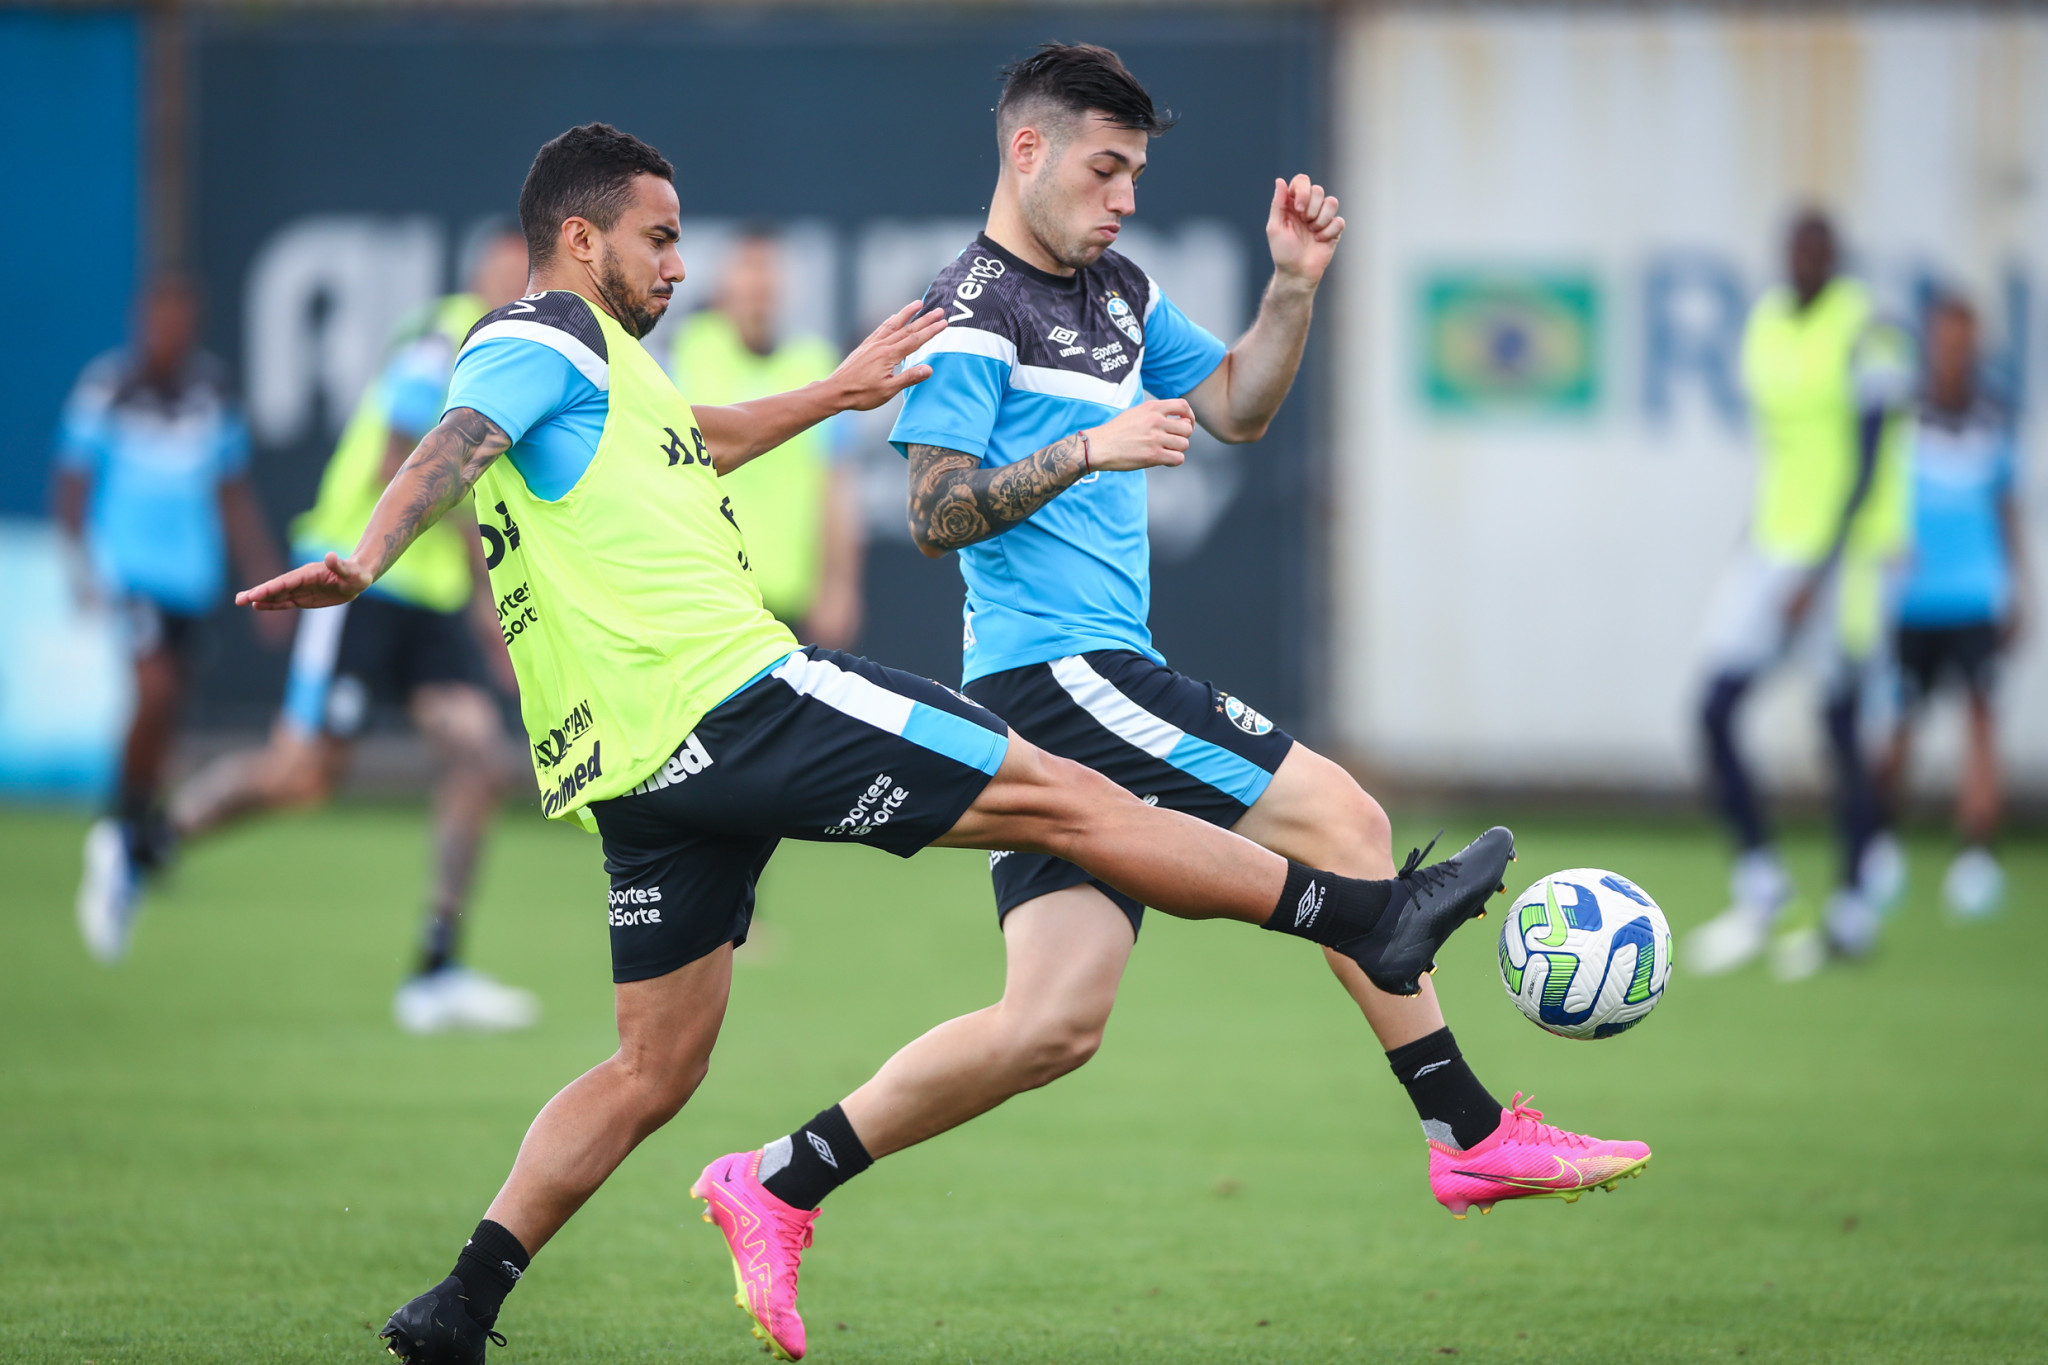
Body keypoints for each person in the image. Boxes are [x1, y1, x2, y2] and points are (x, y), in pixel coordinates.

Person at [232, 122, 1516, 1365]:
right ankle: (1366, 919)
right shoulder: (537, 330)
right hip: (735, 697)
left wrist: (832, 392)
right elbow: (458, 441)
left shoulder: (612, 373)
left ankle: (462, 1299)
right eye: (658, 239)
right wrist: (368, 555)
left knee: (650, 1067)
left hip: (633, 769)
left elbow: (697, 443)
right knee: (1065, 795)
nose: (679, 266)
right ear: (577, 240)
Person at [688, 45, 1650, 1360]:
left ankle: (777, 1180)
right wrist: (1088, 445)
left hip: (1075, 681)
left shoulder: (1120, 291)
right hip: (1065, 675)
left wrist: (1294, 290)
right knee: (1345, 818)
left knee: (1051, 1024)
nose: (1125, 196)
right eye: (1106, 167)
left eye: (1137, 173)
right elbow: (931, 511)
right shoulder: (972, 312)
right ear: (1025, 152)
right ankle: (1468, 1130)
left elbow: (1242, 405)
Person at [161, 221, 538, 1033]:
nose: (515, 288)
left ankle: (437, 965)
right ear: (480, 272)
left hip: (427, 596)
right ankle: (153, 838)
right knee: (302, 776)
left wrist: (480, 607)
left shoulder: (517, 357)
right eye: (505, 271)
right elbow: (402, 471)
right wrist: (487, 594)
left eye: (525, 275)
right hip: (356, 581)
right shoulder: (443, 341)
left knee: (480, 757)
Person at [1688, 210, 1914, 976]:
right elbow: (1783, 448)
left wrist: (1818, 571)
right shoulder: (1768, 324)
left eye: (1818, 250)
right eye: (1795, 249)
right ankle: (1763, 886)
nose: (1805, 261)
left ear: (1836, 257)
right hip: (1772, 545)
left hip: (1840, 561)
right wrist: (1755, 542)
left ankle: (1850, 910)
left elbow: (1871, 455)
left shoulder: (1868, 331)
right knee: (1713, 707)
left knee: (1840, 727)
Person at [63, 275, 287, 963]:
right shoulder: (106, 390)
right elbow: (72, 484)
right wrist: (82, 566)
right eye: (159, 318)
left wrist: (263, 576)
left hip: (190, 579)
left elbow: (233, 493)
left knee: (171, 706)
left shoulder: (212, 394)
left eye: (181, 319)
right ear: (141, 320)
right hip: (130, 574)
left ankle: (138, 831)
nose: (170, 331)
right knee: (153, 689)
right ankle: (121, 824)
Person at [1877, 294, 2028, 917]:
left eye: (1962, 340)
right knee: (1899, 727)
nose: (1952, 350)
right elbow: (1877, 493)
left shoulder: (1993, 414)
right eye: (1943, 338)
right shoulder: (1900, 415)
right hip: (1912, 598)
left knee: (1981, 722)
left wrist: (2021, 585)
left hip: (1975, 595)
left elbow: (2007, 506)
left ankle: (1975, 857)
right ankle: (1880, 849)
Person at [667, 226, 865, 647]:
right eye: (748, 269)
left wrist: (839, 585)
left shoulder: (815, 366)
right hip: (704, 595)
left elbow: (836, 485)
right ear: (725, 284)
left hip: (785, 599)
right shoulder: (687, 353)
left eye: (769, 272)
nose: (759, 284)